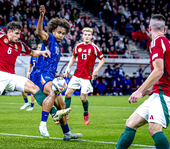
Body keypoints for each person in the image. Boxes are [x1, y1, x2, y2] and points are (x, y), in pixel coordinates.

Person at [0, 19, 51, 144]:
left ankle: (54, 113)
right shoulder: (0, 36)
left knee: (33, 88)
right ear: (9, 32)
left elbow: (32, 52)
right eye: (16, 33)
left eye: (19, 34)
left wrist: (42, 52)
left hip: (12, 76)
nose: (18, 36)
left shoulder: (20, 45)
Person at [116, 14, 170, 149]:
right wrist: (150, 89)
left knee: (154, 129)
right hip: (158, 92)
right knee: (131, 123)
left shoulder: (156, 42)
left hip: (164, 95)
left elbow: (158, 71)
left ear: (149, 28)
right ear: (165, 28)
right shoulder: (168, 43)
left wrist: (139, 91)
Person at [33, 5, 82, 140]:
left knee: (62, 104)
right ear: (53, 31)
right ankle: (42, 124)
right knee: (53, 91)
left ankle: (66, 133)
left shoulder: (59, 46)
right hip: (41, 74)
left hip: (50, 75)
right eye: (59, 32)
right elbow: (39, 32)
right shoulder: (49, 39)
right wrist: (42, 16)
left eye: (63, 33)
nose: (60, 35)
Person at [64, 27, 105, 125]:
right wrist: (68, 67)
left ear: (91, 36)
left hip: (87, 77)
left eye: (88, 35)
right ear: (82, 36)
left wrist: (96, 69)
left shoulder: (94, 48)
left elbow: (102, 60)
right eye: (85, 35)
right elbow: (74, 57)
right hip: (77, 75)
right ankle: (65, 114)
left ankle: (86, 113)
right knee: (67, 94)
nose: (86, 37)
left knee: (83, 98)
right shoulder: (78, 46)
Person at [20, 43, 42, 111]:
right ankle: (26, 102)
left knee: (33, 90)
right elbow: (30, 65)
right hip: (32, 74)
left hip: (39, 75)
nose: (39, 49)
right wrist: (28, 73)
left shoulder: (44, 56)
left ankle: (31, 106)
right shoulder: (33, 56)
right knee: (22, 87)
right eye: (38, 47)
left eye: (41, 47)